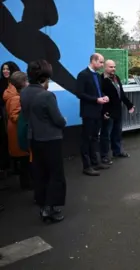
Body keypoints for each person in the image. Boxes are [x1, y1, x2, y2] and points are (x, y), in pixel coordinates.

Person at [20, 59, 67, 223]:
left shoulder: (24, 92)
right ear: (45, 77)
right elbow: (58, 120)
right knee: (55, 174)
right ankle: (50, 208)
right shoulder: (47, 95)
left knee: (40, 173)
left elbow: (26, 116)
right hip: (51, 139)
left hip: (33, 138)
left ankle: (42, 205)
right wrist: (64, 121)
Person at [76, 53, 110, 176]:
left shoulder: (98, 76)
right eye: (101, 62)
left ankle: (95, 162)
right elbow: (79, 93)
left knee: (95, 137)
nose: (102, 65)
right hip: (88, 112)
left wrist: (104, 96)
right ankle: (86, 166)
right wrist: (95, 100)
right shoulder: (83, 75)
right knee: (86, 139)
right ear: (93, 61)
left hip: (98, 112)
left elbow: (98, 90)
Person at [100, 60, 134, 164]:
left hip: (117, 111)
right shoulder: (101, 80)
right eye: (111, 67)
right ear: (105, 67)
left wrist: (129, 105)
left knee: (117, 133)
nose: (113, 69)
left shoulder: (116, 78)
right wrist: (104, 112)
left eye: (114, 67)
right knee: (106, 134)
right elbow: (100, 96)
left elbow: (121, 94)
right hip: (108, 112)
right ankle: (104, 156)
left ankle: (117, 151)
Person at [3, 71, 32, 190]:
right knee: (25, 162)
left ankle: (27, 183)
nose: (28, 83)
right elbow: (15, 116)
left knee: (24, 161)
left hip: (16, 131)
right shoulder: (15, 98)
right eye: (26, 81)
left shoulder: (13, 95)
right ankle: (27, 184)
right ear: (21, 83)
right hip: (18, 132)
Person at [0, 61, 20, 186]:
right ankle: (6, 167)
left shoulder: (18, 84)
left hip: (14, 118)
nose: (5, 71)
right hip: (3, 117)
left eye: (7, 69)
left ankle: (17, 167)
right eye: (3, 69)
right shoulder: (1, 83)